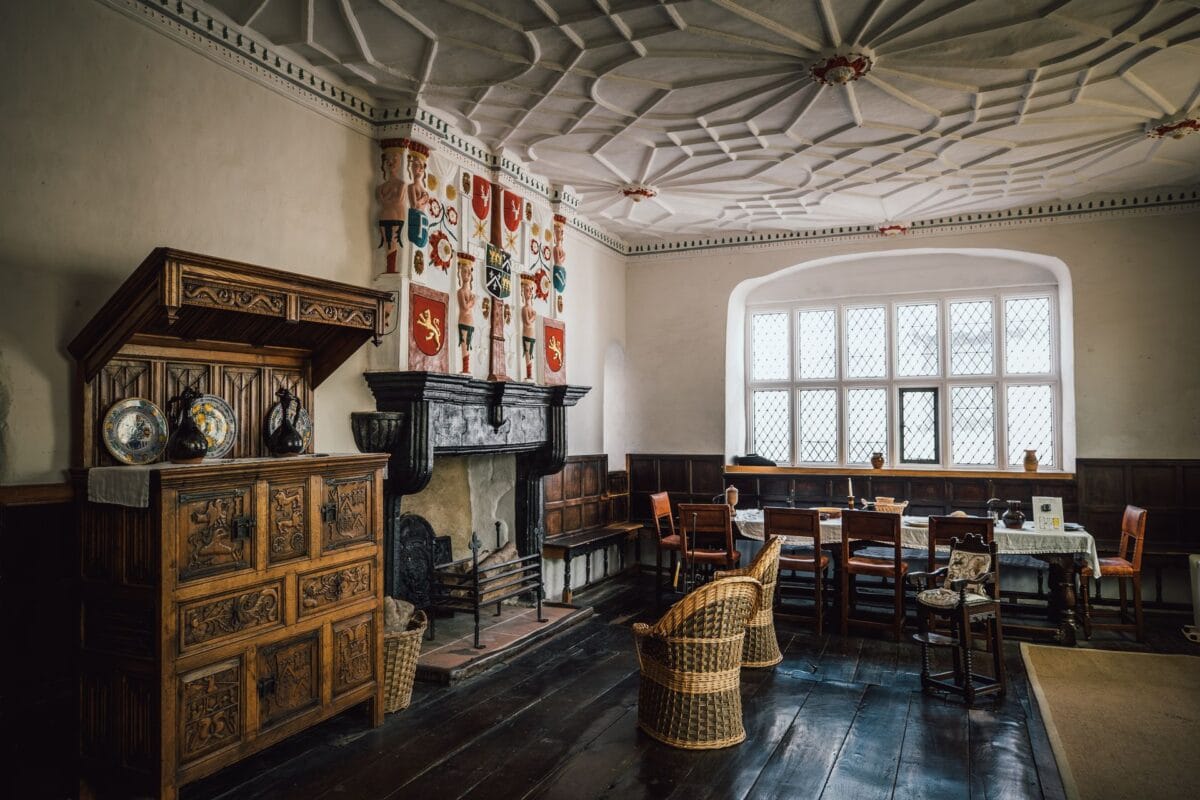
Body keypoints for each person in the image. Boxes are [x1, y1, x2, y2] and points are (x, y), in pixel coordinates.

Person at [375, 146, 409, 272]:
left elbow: (397, 200)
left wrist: (388, 198)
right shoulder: (381, 187)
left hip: (396, 216)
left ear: (399, 162)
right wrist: (390, 198)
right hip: (385, 215)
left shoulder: (401, 184)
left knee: (394, 241)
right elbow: (384, 201)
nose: (391, 163)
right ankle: (389, 268)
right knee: (386, 242)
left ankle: (391, 268)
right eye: (388, 160)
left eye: (394, 159)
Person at [457, 254, 477, 373]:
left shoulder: (469, 292)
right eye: (465, 271)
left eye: (469, 271)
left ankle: (467, 368)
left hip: (470, 322)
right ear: (460, 273)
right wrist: (472, 301)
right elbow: (465, 307)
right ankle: (465, 369)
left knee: (469, 345)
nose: (468, 274)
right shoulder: (461, 291)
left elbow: (468, 306)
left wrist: (470, 302)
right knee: (464, 344)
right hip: (463, 320)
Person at [520, 274, 537, 380]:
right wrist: (534, 316)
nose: (529, 292)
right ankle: (528, 374)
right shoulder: (525, 308)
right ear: (523, 292)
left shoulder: (530, 308)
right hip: (526, 333)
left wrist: (533, 317)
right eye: (527, 290)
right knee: (527, 354)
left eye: (531, 290)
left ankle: (530, 375)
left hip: (532, 335)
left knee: (531, 354)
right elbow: (527, 321)